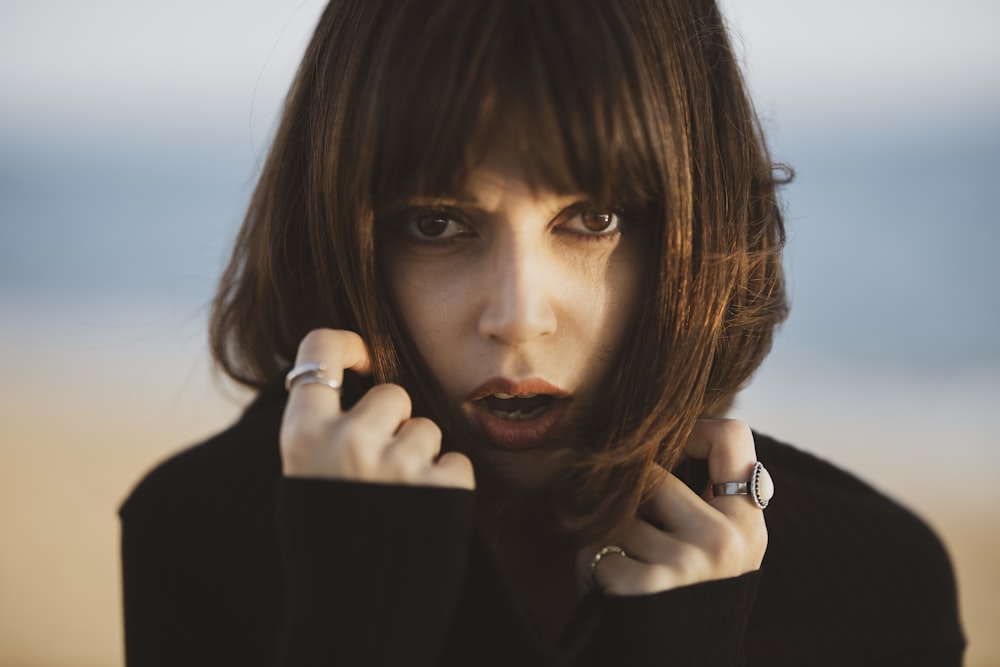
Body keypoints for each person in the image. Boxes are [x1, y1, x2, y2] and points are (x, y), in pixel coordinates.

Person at [119, 0, 965, 665]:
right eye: (438, 224)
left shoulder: (880, 583)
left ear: (694, 228)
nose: (519, 318)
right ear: (344, 233)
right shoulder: (196, 534)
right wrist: (354, 626)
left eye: (593, 218)